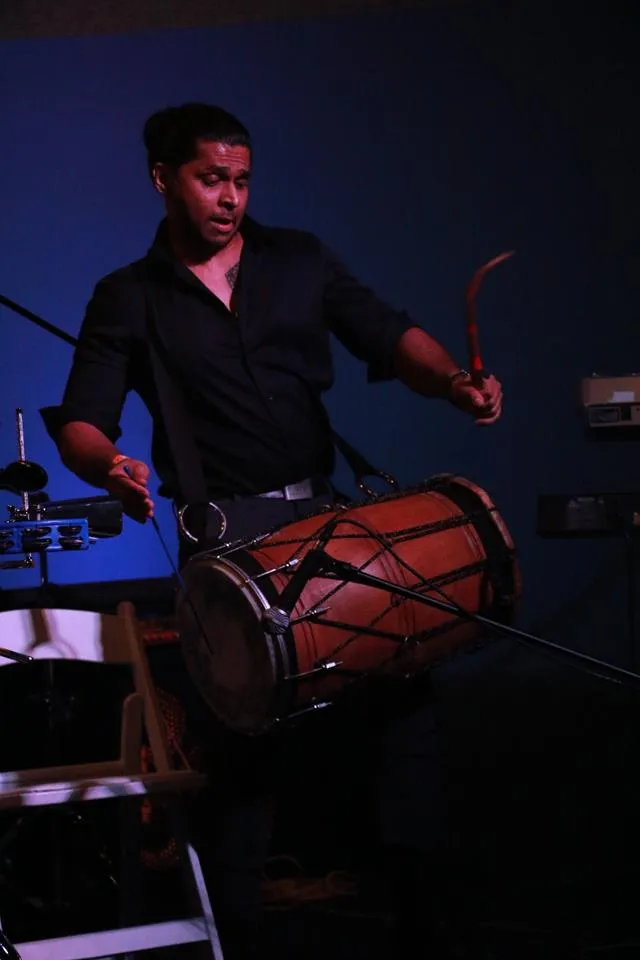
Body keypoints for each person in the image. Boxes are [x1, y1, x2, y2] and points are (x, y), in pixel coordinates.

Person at [45, 103, 503, 958]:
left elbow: (388, 334)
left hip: (328, 521)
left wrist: (451, 381)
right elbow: (80, 421)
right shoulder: (128, 296)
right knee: (242, 756)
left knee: (403, 706)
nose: (230, 197)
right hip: (228, 539)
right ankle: (240, 942)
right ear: (163, 179)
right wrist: (109, 465)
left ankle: (425, 929)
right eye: (210, 179)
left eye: (242, 180)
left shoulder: (299, 259)